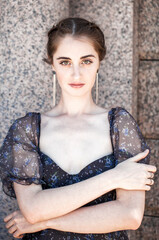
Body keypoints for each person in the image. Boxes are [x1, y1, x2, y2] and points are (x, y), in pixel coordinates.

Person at [0, 17, 157, 240]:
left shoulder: (119, 125)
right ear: (52, 63)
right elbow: (32, 209)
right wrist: (114, 178)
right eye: (65, 62)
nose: (76, 74)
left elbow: (130, 215)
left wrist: (45, 221)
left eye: (86, 61)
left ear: (98, 63)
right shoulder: (27, 130)